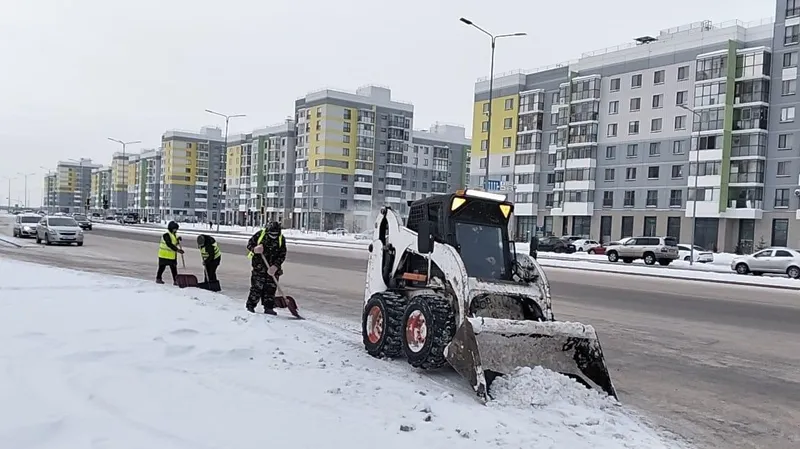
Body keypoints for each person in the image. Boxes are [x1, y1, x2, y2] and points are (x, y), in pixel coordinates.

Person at [245, 221, 286, 314]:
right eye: (272, 234)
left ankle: (268, 307)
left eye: (276, 234)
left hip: (272, 270)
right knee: (256, 288)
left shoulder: (281, 239)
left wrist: (275, 266)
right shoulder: (260, 235)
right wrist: (254, 249)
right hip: (259, 268)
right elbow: (249, 245)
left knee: (271, 289)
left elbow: (282, 255)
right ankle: (250, 306)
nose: (274, 236)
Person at [157, 221, 184, 285]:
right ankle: (158, 278)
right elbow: (169, 244)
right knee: (161, 268)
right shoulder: (166, 235)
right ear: (171, 228)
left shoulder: (173, 235)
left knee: (174, 269)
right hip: (164, 255)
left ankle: (176, 281)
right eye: (175, 229)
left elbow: (173, 243)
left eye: (176, 229)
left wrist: (177, 240)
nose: (176, 230)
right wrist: (178, 250)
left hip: (171, 255)